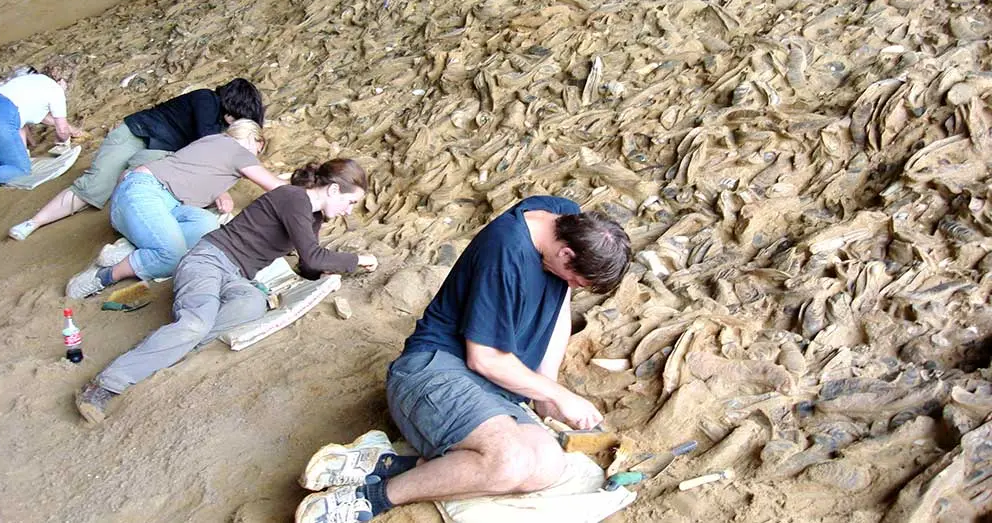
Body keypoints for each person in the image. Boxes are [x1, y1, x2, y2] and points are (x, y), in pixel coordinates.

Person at [294, 196, 631, 523]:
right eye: (575, 279)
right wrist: (559, 395)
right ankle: (375, 497)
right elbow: (485, 359)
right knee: (507, 464)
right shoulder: (507, 251)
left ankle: (387, 463)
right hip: (434, 370)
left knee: (547, 465)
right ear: (566, 252)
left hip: (495, 390)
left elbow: (559, 302)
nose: (572, 287)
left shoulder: (563, 217)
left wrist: (547, 388)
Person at [75, 158, 379, 424]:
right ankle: (103, 386)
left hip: (236, 275)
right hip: (207, 260)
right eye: (351, 202)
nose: (347, 211)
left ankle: (174, 347)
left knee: (251, 304)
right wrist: (357, 260)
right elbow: (313, 256)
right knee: (196, 322)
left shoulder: (311, 217)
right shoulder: (293, 198)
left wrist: (327, 272)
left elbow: (308, 265)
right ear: (335, 189)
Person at [9, 77, 264, 240]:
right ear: (231, 107)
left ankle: (129, 229)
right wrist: (219, 190)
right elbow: (205, 148)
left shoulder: (220, 123)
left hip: (162, 150)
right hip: (135, 132)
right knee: (96, 182)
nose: (236, 122)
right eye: (238, 116)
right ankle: (33, 222)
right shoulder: (206, 99)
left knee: (134, 180)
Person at [65, 118, 285, 299]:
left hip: (149, 197)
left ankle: (126, 251)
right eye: (258, 150)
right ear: (256, 140)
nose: (255, 156)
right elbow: (277, 188)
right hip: (145, 194)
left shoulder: (212, 141)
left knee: (208, 226)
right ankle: (103, 277)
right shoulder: (240, 151)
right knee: (173, 256)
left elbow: (190, 171)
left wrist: (220, 192)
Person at [0, 60, 84, 186]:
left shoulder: (30, 81)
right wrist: (63, 144)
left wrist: (73, 130)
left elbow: (35, 119)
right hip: (1, 118)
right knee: (21, 170)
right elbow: (62, 130)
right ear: (61, 80)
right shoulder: (55, 90)